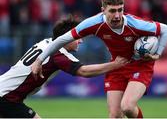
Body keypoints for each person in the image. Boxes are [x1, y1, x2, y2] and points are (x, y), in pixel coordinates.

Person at [31, 0, 167, 118]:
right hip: (116, 66)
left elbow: (166, 29)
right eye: (112, 11)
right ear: (103, 10)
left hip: (140, 66)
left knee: (127, 107)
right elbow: (61, 40)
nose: (117, 15)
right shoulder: (93, 23)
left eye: (120, 10)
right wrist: (39, 60)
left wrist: (158, 54)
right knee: (114, 115)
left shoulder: (136, 24)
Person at [0, 17, 128, 118]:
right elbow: (83, 71)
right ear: (68, 37)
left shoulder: (47, 42)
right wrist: (114, 65)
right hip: (7, 98)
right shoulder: (58, 54)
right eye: (78, 37)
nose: (81, 41)